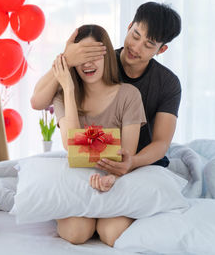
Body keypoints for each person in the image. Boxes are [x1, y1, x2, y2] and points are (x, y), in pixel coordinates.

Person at [31, 2, 182, 245]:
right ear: (129, 26)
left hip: (136, 161)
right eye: (135, 35)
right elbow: (39, 102)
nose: (136, 47)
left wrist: (130, 163)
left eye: (148, 44)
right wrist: (67, 59)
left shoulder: (165, 84)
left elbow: (161, 142)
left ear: (161, 50)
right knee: (76, 231)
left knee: (112, 231)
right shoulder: (93, 61)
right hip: (87, 160)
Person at [52, 24, 146, 246]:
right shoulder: (62, 95)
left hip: (115, 179)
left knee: (112, 233)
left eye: (93, 55)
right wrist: (67, 87)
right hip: (77, 181)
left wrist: (109, 178)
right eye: (81, 56)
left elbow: (126, 155)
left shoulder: (129, 95)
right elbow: (70, 144)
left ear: (107, 56)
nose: (87, 63)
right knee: (77, 232)